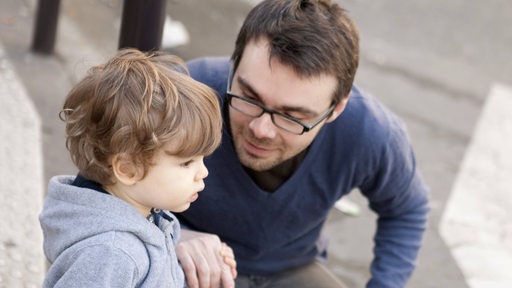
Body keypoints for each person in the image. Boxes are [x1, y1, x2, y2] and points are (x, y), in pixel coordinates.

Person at [175, 0, 430, 287]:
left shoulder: (370, 132)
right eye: (249, 97)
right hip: (187, 260)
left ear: (336, 109)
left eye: (291, 116)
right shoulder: (188, 91)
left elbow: (407, 209)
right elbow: (115, 186)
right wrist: (173, 235)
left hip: (291, 268)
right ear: (234, 67)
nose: (261, 129)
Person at [38, 48, 235, 287]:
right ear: (128, 169)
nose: (203, 172)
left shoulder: (147, 217)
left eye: (202, 159)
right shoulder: (111, 253)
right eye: (186, 162)